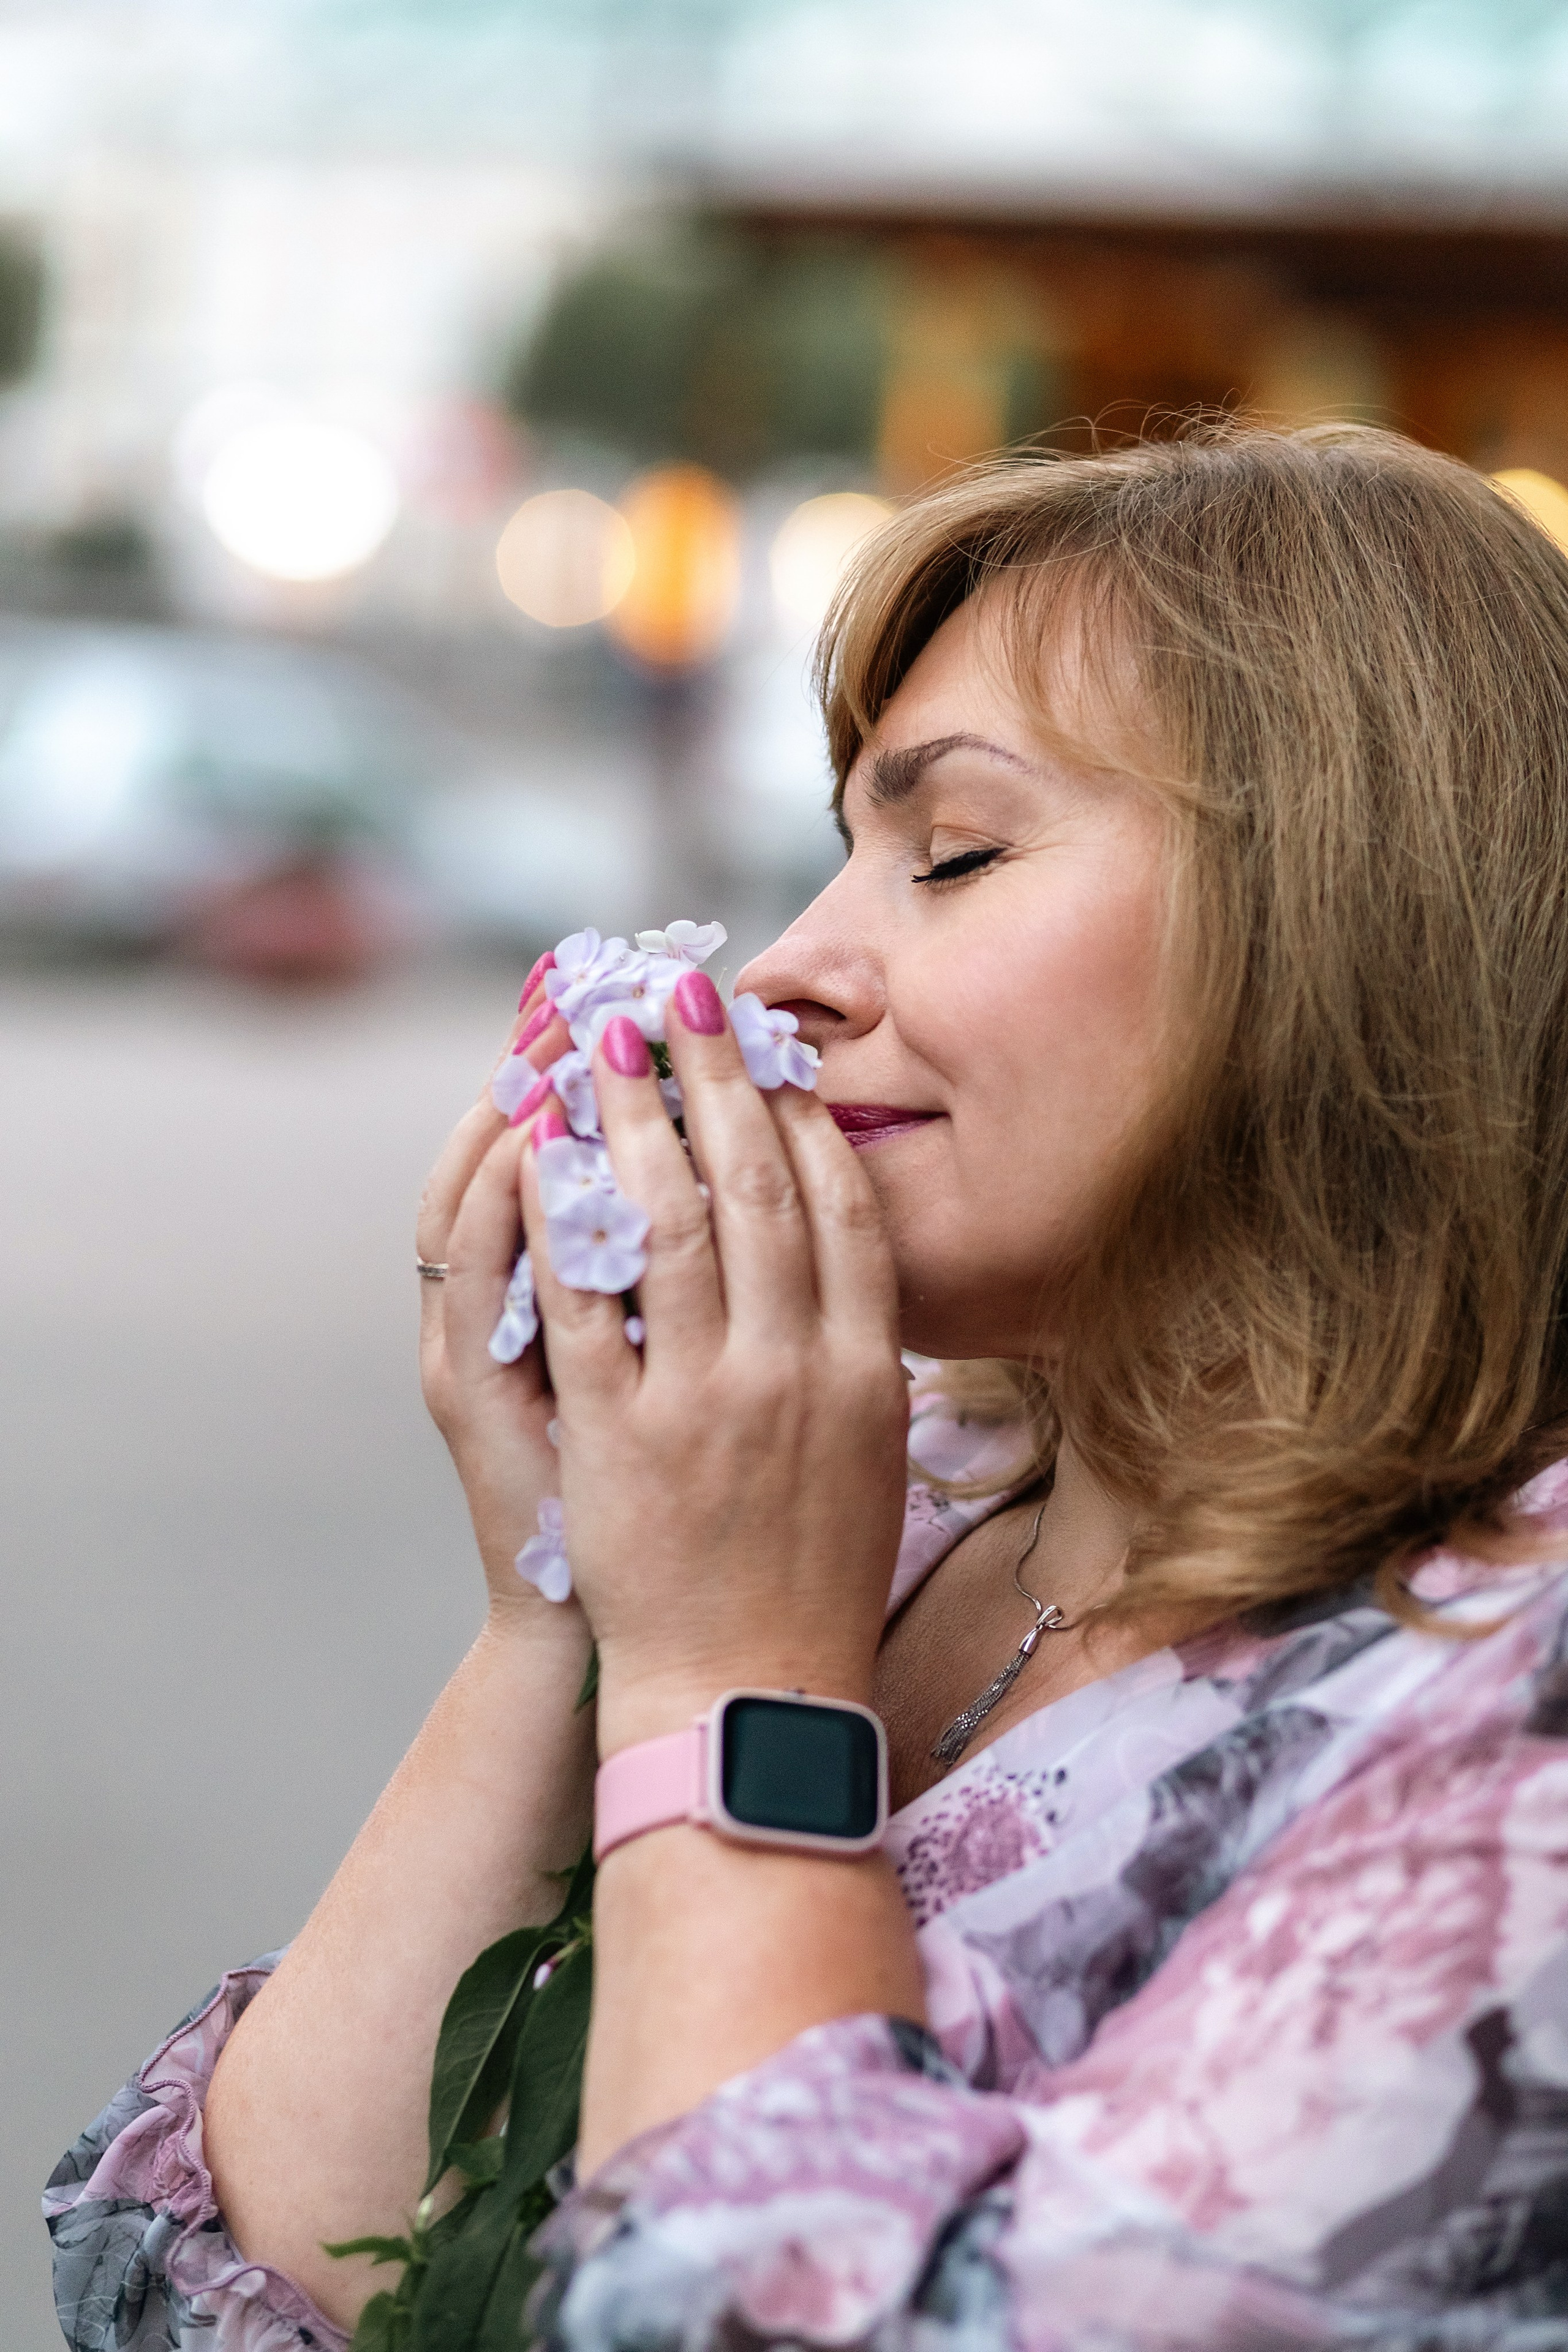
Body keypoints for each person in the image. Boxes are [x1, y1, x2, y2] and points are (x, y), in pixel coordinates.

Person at [46, 423, 1568, 2351]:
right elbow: (220, 2295)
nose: (786, 975)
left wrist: (731, 1685)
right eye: (837, 853)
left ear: (1362, 926)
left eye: (955, 854)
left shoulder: (1509, 1688)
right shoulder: (908, 1474)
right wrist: (565, 1601)